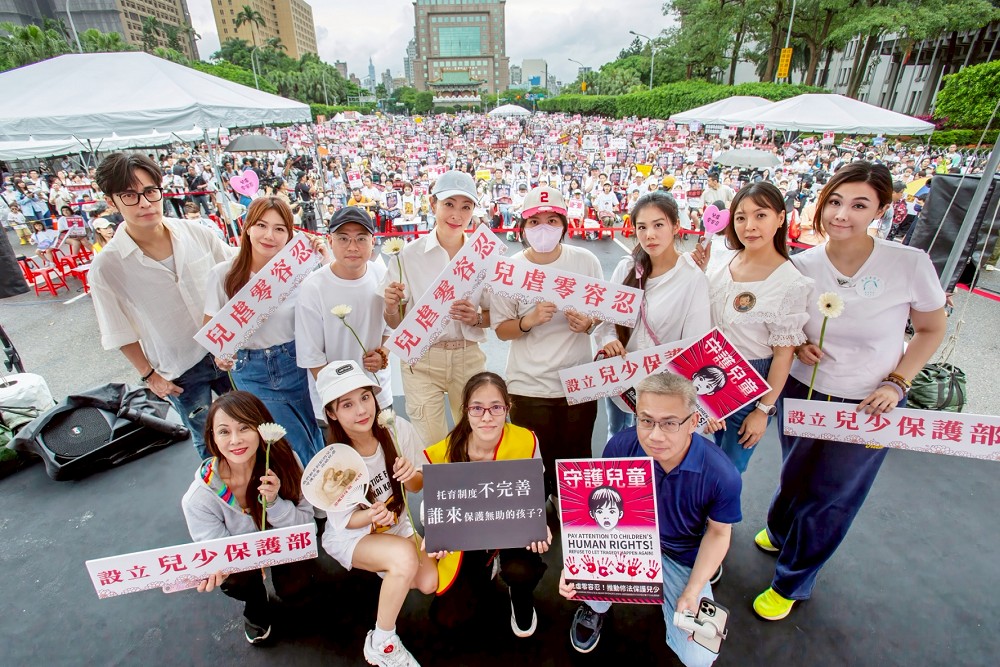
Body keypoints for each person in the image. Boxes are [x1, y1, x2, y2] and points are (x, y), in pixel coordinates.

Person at [753, 161, 947, 621]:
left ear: (881, 209)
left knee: (832, 495)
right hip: (804, 392)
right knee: (795, 474)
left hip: (869, 403)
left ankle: (792, 581)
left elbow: (931, 329)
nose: (842, 214)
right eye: (835, 202)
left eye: (859, 205)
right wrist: (801, 343)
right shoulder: (800, 264)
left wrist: (897, 382)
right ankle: (780, 531)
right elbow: (787, 326)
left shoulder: (908, 263)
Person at [559, 373, 741, 667]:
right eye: (646, 420)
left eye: (670, 423)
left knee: (700, 657)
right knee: (584, 583)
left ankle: (689, 588)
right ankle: (596, 607)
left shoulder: (722, 473)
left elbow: (719, 532)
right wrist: (576, 561)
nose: (655, 435)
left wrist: (693, 590)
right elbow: (597, 505)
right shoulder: (619, 447)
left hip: (681, 554)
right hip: (627, 539)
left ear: (693, 422)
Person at [89, 152, 234, 459]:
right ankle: (220, 489)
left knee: (250, 422)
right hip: (179, 368)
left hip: (225, 351)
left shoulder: (196, 233)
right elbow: (118, 330)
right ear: (111, 202)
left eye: (150, 191)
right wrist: (149, 375)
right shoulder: (107, 266)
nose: (144, 203)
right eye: (130, 195)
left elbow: (235, 267)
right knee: (207, 439)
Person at [316, 360, 436, 666]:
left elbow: (418, 485)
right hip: (355, 535)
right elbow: (345, 521)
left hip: (397, 526)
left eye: (365, 397)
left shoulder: (396, 429)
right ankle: (382, 641)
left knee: (428, 582)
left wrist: (409, 475)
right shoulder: (334, 459)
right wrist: (370, 516)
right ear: (332, 413)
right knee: (405, 559)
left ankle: (391, 564)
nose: (361, 410)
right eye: (347, 404)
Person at [691, 182, 811, 473]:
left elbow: (783, 355)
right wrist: (699, 271)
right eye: (741, 217)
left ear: (780, 218)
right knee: (693, 454)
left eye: (760, 215)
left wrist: (763, 410)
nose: (749, 226)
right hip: (705, 367)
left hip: (749, 379)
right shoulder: (723, 259)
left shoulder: (790, 282)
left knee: (728, 469)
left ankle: (719, 508)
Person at [492, 186, 602, 502]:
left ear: (564, 225)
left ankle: (572, 515)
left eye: (552, 221)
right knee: (533, 471)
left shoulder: (585, 261)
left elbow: (603, 311)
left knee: (576, 465)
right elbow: (501, 330)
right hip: (528, 387)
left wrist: (588, 323)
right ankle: (537, 520)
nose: (543, 229)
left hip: (578, 384)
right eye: (534, 221)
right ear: (523, 227)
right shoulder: (509, 269)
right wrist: (528, 321)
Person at [181, 391, 317, 645]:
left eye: (244, 427)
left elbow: (307, 527)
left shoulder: (287, 462)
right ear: (212, 437)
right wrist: (220, 569)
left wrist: (274, 503)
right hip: (242, 560)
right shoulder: (198, 499)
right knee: (236, 580)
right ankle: (255, 602)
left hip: (281, 546)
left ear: (261, 428)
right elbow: (217, 551)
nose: (235, 440)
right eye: (224, 431)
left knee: (295, 589)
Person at [423, 372, 551, 636]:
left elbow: (534, 488)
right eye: (477, 408)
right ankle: (488, 563)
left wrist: (539, 523)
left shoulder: (526, 440)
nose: (487, 417)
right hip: (470, 532)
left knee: (521, 569)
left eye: (496, 407)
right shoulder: (445, 451)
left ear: (507, 408)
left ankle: (520, 592)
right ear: (465, 410)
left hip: (512, 524)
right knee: (449, 617)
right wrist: (436, 532)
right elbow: (433, 505)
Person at [203, 196, 326, 466]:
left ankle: (323, 480)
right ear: (247, 227)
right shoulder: (223, 274)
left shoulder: (299, 273)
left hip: (294, 361)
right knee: (290, 439)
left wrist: (324, 258)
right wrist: (221, 355)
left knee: (310, 428)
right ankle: (320, 483)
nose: (269, 235)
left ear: (289, 235)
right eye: (261, 225)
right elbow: (211, 329)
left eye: (279, 228)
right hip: (251, 369)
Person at [380, 170, 489, 446]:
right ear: (432, 204)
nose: (457, 215)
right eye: (449, 204)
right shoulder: (406, 256)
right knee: (432, 445)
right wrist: (391, 306)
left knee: (475, 441)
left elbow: (494, 315)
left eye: (466, 207)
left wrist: (476, 318)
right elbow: (395, 322)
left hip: (467, 355)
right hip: (421, 360)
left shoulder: (482, 256)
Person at [596, 191, 711, 438]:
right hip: (621, 380)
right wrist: (609, 341)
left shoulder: (692, 279)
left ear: (676, 226)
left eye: (658, 225)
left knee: (655, 445)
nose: (649, 234)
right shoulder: (627, 267)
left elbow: (695, 344)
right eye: (642, 227)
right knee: (617, 437)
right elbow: (607, 323)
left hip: (664, 390)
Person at [296, 207, 394, 413]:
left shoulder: (383, 275)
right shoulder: (313, 287)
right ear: (330, 241)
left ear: (373, 241)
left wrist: (383, 354)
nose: (352, 247)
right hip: (335, 401)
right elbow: (312, 356)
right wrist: (341, 400)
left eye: (361, 238)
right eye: (343, 238)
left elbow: (391, 328)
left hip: (377, 393)